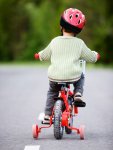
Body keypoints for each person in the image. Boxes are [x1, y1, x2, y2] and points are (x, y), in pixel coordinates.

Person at [34, 8, 100, 122]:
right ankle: (78, 93)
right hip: (73, 76)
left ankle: (47, 115)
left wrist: (38, 55)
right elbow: (91, 57)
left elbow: (44, 55)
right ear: (78, 30)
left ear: (61, 26)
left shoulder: (55, 41)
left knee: (52, 92)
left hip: (54, 76)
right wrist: (96, 55)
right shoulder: (79, 43)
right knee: (81, 75)